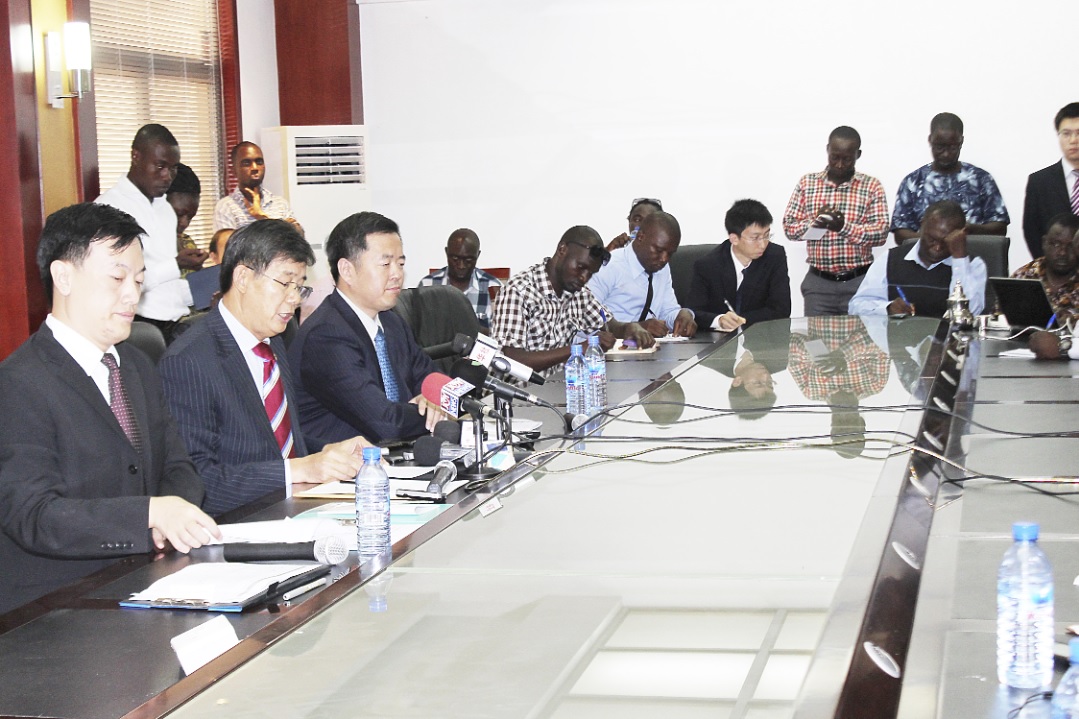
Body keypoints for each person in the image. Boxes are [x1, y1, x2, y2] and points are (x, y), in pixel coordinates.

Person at [0, 203, 219, 614]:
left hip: (148, 583)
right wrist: (149, 514)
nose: (132, 294)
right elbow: (34, 515)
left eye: (138, 280)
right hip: (55, 610)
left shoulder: (136, 363)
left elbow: (178, 468)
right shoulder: (18, 384)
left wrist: (169, 518)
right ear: (63, 276)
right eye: (117, 277)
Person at [159, 220, 369, 516]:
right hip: (237, 528)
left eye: (300, 287)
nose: (294, 299)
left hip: (297, 511)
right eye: (285, 284)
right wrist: (299, 470)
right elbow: (198, 485)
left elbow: (277, 444)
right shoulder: (189, 361)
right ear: (243, 277)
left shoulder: (273, 343)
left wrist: (333, 452)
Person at [288, 211, 447, 447]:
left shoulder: (391, 323)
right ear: (347, 270)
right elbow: (386, 424)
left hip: (400, 458)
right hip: (346, 473)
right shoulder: (326, 336)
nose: (397, 274)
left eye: (400, 263)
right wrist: (430, 410)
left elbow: (433, 378)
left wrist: (436, 399)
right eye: (385, 264)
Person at [490, 225, 654, 376]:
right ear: (562, 250)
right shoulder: (519, 292)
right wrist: (579, 348)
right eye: (581, 267)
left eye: (590, 273)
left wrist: (630, 328)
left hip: (558, 390)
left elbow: (609, 325)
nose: (584, 278)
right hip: (516, 398)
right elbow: (510, 361)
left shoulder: (577, 293)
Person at [96, 124, 200, 343]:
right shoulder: (109, 208)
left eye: (173, 168)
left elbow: (165, 291)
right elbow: (118, 284)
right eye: (160, 166)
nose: (167, 176)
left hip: (175, 325)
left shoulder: (165, 209)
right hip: (138, 329)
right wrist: (176, 265)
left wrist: (209, 288)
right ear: (136, 156)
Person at [783, 126, 890, 316]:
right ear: (827, 150)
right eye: (835, 157)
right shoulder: (807, 183)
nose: (840, 164)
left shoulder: (872, 186)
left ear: (858, 154)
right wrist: (816, 223)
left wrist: (843, 227)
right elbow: (790, 228)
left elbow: (880, 234)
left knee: (862, 345)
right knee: (817, 342)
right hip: (818, 286)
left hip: (860, 283)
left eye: (847, 159)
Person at [849, 200, 987, 317]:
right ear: (922, 226)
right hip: (899, 345)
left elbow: (972, 312)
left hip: (949, 344)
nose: (937, 248)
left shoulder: (973, 264)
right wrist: (887, 308)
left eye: (946, 242)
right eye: (931, 239)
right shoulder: (890, 259)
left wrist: (959, 259)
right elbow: (856, 306)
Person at [891, 113, 1009, 243]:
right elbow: (900, 233)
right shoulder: (913, 182)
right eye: (940, 147)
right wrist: (933, 238)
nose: (946, 154)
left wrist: (971, 230)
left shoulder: (981, 179)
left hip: (972, 256)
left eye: (953, 147)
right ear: (930, 140)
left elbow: (1000, 227)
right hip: (926, 259)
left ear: (961, 141)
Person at [587, 211, 697, 338]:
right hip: (608, 352)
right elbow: (586, 317)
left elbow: (667, 312)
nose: (664, 259)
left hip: (649, 351)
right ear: (640, 237)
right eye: (659, 250)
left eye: (670, 254)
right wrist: (636, 327)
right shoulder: (608, 266)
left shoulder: (662, 268)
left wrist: (682, 315)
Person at [686, 199, 791, 331]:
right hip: (718, 342)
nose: (763, 244)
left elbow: (781, 309)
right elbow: (691, 312)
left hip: (760, 338)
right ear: (734, 239)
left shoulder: (774, 256)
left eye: (766, 235)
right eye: (755, 238)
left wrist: (741, 319)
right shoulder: (708, 265)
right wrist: (720, 320)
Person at [1023, 102, 1079, 259]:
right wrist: (1050, 268)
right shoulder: (1039, 182)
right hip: (1054, 272)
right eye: (1066, 134)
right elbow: (1032, 231)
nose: (1073, 140)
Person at [213, 141, 303, 235]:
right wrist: (282, 228)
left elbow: (298, 239)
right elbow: (227, 247)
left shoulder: (280, 203)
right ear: (234, 170)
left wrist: (262, 217)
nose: (255, 168)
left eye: (259, 162)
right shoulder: (225, 207)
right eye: (247, 163)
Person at [418, 228, 502, 327]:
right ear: (446, 252)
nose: (461, 266)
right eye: (455, 259)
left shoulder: (493, 288)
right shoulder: (427, 285)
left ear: (477, 255)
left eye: (468, 260)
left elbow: (500, 334)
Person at [1010, 214, 1079, 323]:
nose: (1062, 252)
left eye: (1070, 246)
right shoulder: (1024, 275)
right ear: (1044, 243)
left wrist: (1075, 321)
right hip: (1023, 339)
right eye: (1056, 244)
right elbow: (997, 317)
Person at [166, 163, 208, 277]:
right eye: (178, 215)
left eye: (190, 217)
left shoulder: (187, 243)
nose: (185, 223)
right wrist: (175, 264)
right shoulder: (137, 243)